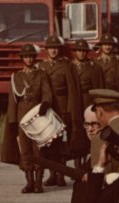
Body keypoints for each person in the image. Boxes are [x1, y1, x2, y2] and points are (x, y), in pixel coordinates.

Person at [0, 44, 54, 193]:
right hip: (22, 117)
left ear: (34, 58)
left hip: (38, 116)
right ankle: (29, 182)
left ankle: (38, 182)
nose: (29, 59)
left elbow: (47, 93)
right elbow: (12, 101)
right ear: (22, 59)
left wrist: (45, 104)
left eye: (31, 56)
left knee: (38, 149)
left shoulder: (41, 75)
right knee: (24, 150)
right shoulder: (16, 76)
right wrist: (12, 121)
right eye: (26, 57)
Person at [38, 35, 85, 187]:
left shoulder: (67, 66)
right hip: (47, 109)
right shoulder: (41, 66)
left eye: (56, 48)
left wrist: (71, 110)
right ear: (46, 50)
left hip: (63, 108)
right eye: (50, 48)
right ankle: (52, 174)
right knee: (49, 143)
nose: (53, 51)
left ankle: (61, 175)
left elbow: (72, 90)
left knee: (63, 144)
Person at [70, 39, 104, 112]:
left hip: (88, 100)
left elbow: (98, 88)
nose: (81, 53)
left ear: (87, 52)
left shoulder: (94, 67)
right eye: (79, 51)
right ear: (75, 52)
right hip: (74, 100)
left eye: (84, 51)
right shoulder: (70, 66)